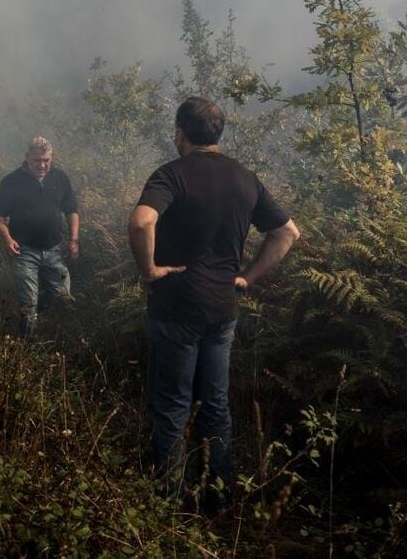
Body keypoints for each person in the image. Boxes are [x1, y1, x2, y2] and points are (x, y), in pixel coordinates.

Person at [128, 96, 300, 511]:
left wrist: (149, 271)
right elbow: (287, 233)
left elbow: (142, 221)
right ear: (218, 133)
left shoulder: (172, 175)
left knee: (173, 406)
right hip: (223, 308)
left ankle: (166, 504)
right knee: (216, 404)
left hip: (177, 306)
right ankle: (218, 500)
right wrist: (248, 277)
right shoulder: (245, 178)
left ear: (180, 132)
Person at [0, 137, 79, 339]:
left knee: (63, 297)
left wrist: (74, 240)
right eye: (37, 161)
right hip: (24, 251)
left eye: (46, 160)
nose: (42, 165)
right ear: (27, 158)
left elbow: (71, 209)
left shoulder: (60, 178)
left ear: (51, 157)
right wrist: (8, 239)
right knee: (28, 305)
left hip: (54, 250)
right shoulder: (12, 181)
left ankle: (58, 338)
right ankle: (25, 347)